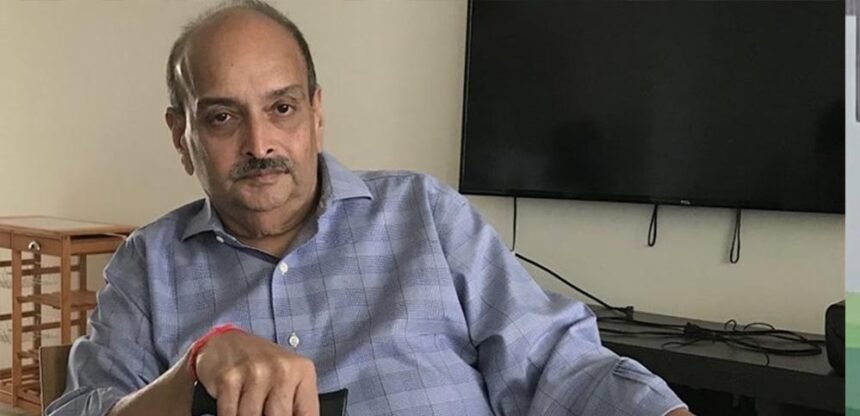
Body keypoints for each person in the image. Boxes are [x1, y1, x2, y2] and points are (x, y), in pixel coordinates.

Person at [46, 1, 693, 415]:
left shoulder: (426, 214)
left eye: (282, 107)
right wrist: (191, 374)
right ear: (180, 135)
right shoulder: (146, 266)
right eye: (221, 117)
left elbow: (560, 365)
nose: (259, 143)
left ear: (316, 113)